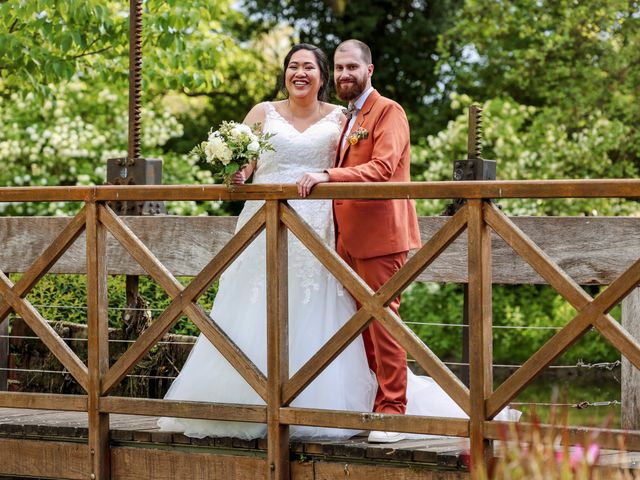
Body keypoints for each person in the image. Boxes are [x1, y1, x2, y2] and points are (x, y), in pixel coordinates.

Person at [297, 39, 519, 443]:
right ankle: (375, 400)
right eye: (340, 68)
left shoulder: (389, 111)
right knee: (362, 326)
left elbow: (382, 167)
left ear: (370, 70)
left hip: (381, 236)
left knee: (385, 324)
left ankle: (393, 413)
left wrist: (329, 177)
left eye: (352, 67)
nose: (345, 74)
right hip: (347, 237)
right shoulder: (349, 117)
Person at [157, 43, 377, 440]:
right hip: (262, 223)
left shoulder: (342, 118)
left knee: (315, 306)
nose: (300, 73)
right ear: (285, 73)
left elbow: (348, 166)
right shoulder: (263, 112)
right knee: (251, 305)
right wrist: (237, 174)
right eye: (293, 66)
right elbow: (247, 163)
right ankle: (240, 400)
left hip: (317, 225)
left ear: (322, 77)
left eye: (309, 67)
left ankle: (315, 407)